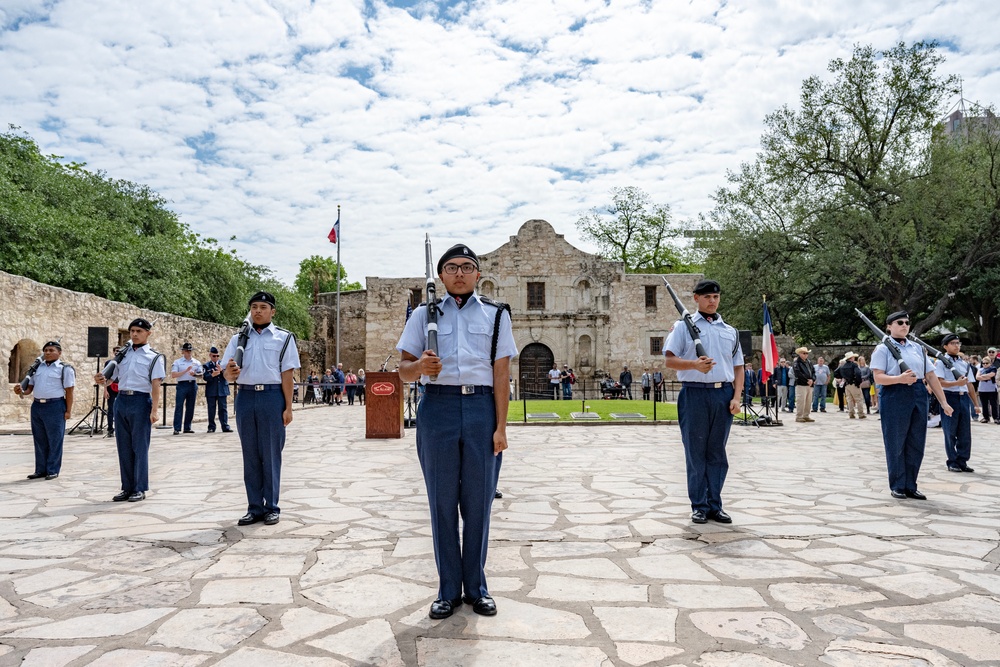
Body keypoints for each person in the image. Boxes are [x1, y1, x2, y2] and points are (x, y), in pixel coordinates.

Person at [396, 243, 515, 620]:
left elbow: (500, 374)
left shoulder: (496, 315)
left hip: (480, 408)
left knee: (478, 502)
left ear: (478, 274)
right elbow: (403, 368)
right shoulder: (422, 314)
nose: (459, 273)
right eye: (451, 267)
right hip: (439, 408)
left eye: (467, 267)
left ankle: (477, 588)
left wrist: (501, 426)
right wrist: (420, 370)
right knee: (442, 502)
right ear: (442, 275)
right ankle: (448, 589)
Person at [664, 279, 744, 525]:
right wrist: (694, 365)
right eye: (707, 296)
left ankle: (715, 505)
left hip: (723, 395)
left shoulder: (730, 331)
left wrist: (737, 397)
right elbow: (669, 360)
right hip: (695, 393)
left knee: (717, 453)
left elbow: (738, 367)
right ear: (696, 298)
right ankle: (698, 505)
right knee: (696, 452)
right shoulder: (682, 327)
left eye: (716, 297)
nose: (712, 301)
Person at [222, 291, 300, 526]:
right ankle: (254, 507)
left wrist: (288, 407)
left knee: (271, 454)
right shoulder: (237, 339)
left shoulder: (283, 338)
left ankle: (271, 507)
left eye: (263, 307)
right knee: (251, 455)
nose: (258, 311)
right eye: (254, 306)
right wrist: (229, 374)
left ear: (272, 311)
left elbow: (287, 375)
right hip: (245, 397)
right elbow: (226, 373)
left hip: (271, 397)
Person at [871, 311, 953, 500]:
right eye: (899, 322)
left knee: (916, 441)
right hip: (895, 392)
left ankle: (910, 484)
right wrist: (898, 378)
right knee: (896, 441)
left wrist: (943, 402)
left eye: (907, 322)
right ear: (889, 326)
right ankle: (898, 484)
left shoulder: (917, 347)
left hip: (917, 392)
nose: (904, 325)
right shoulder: (883, 348)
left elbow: (931, 376)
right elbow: (878, 377)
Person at [95, 318, 165, 502]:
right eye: (132, 331)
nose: (134, 334)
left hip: (141, 401)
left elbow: (156, 384)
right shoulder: (123, 355)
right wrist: (103, 380)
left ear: (148, 333)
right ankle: (127, 487)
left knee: (139, 447)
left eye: (139, 331)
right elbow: (112, 379)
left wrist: (155, 410)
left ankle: (139, 488)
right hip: (122, 400)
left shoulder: (155, 357)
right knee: (123, 446)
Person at [13, 340, 75, 480]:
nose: (48, 353)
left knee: (55, 439)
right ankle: (40, 469)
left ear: (59, 353)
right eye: (45, 350)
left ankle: (52, 469)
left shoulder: (65, 369)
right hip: (37, 406)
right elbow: (29, 389)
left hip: (55, 406)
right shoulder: (37, 368)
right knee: (39, 439)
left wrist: (68, 411)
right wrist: (21, 390)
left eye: (51, 350)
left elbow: (69, 391)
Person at [935, 334, 980, 473]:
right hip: (949, 397)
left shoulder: (963, 363)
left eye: (958, 343)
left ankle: (962, 460)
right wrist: (956, 383)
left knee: (965, 432)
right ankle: (952, 461)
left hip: (963, 398)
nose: (957, 345)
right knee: (950, 431)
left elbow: (970, 385)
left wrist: (976, 404)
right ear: (945, 346)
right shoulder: (941, 362)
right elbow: (939, 382)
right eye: (953, 343)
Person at [170, 342, 202, 435]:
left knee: (190, 406)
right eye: (187, 351)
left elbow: (201, 375)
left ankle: (187, 427)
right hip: (182, 385)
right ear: (183, 352)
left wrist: (195, 374)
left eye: (190, 350)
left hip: (192, 384)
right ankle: (177, 428)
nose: (189, 352)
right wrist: (186, 371)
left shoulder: (196, 362)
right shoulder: (177, 362)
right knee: (179, 406)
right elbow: (173, 374)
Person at [203, 346, 232, 433]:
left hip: (222, 389)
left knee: (223, 408)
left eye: (217, 356)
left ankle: (225, 426)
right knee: (211, 409)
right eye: (214, 356)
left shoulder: (223, 365)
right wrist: (212, 375)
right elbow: (204, 377)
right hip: (211, 390)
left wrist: (222, 371)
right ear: (210, 355)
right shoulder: (206, 365)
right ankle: (211, 427)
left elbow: (228, 376)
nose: (216, 358)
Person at [840, 352, 865, 419]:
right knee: (859, 399)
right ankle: (861, 413)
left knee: (849, 400)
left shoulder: (843, 366)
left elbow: (837, 373)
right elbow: (857, 373)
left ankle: (851, 413)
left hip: (847, 384)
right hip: (854, 383)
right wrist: (858, 381)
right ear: (851, 358)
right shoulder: (854, 365)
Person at [793, 347, 815, 423]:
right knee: (801, 401)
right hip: (801, 384)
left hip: (809, 385)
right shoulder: (797, 363)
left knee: (808, 401)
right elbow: (798, 373)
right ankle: (799, 416)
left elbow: (813, 372)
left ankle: (806, 415)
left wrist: (813, 379)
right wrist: (807, 380)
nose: (806, 355)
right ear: (800, 354)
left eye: (807, 353)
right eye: (804, 353)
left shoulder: (809, 362)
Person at [977, 348, 998, 424]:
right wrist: (985, 376)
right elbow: (977, 377)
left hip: (992, 389)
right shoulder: (980, 369)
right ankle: (986, 417)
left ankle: (996, 417)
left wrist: (982, 376)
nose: (985, 364)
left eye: (986, 363)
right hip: (982, 389)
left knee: (994, 404)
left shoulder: (993, 368)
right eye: (983, 363)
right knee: (984, 404)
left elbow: (992, 375)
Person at [103, 345, 121, 438]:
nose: (117, 352)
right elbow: (105, 377)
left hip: (122, 387)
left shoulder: (124, 362)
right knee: (111, 408)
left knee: (121, 409)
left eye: (119, 350)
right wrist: (105, 390)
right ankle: (110, 428)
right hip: (111, 386)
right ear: (113, 352)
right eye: (116, 350)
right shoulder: (109, 363)